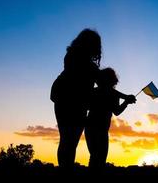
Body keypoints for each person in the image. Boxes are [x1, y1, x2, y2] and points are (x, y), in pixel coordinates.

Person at [50, 29, 135, 169]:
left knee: (67, 140)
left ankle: (66, 171)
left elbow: (104, 86)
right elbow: (104, 85)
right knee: (69, 141)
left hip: (65, 98)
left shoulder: (72, 56)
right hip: (71, 100)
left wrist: (123, 97)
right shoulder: (84, 62)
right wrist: (125, 97)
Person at [85, 67, 135, 169]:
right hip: (97, 129)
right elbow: (117, 111)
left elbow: (116, 111)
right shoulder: (111, 94)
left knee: (96, 157)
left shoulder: (95, 92)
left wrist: (125, 101)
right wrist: (126, 100)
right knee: (99, 158)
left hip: (93, 128)